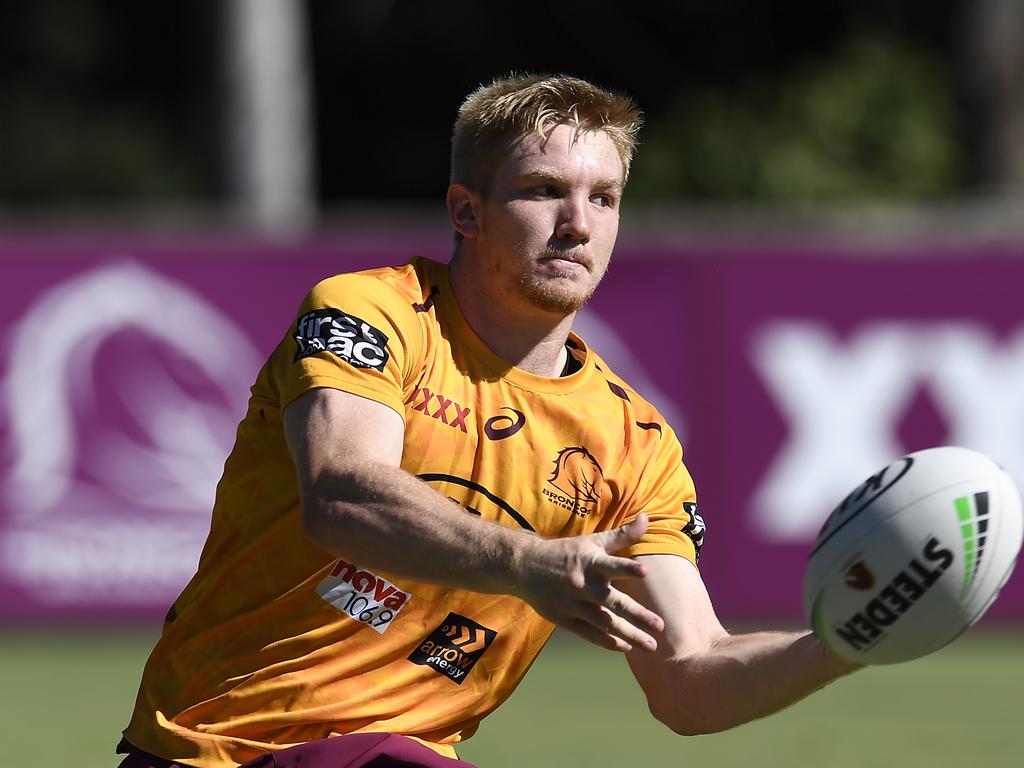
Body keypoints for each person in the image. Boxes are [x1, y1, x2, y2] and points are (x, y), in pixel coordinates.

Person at [118, 73, 858, 768]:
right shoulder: (372, 313)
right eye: (544, 191)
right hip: (219, 750)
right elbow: (342, 493)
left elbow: (690, 680)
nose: (578, 224)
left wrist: (847, 641)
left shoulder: (637, 444)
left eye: (604, 198)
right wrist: (528, 562)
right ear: (467, 211)